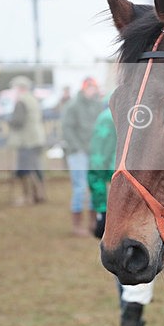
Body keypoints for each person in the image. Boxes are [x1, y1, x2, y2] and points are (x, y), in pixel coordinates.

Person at [88, 101, 164, 326]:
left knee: (129, 274)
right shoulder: (116, 113)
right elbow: (97, 164)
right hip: (126, 204)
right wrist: (100, 209)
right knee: (135, 273)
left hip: (136, 201)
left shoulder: (143, 109)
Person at [61, 77, 102, 236]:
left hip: (93, 153)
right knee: (80, 188)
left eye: (94, 87)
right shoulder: (73, 106)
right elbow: (67, 128)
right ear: (84, 88)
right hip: (78, 153)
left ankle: (92, 223)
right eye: (90, 87)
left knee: (94, 187)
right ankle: (77, 226)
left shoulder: (97, 105)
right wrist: (77, 147)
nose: (92, 90)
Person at [7, 76, 46, 206]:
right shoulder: (33, 99)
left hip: (26, 140)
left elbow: (18, 121)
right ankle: (39, 194)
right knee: (35, 168)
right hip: (36, 138)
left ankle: (28, 197)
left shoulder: (21, 101)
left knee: (25, 170)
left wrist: (9, 121)